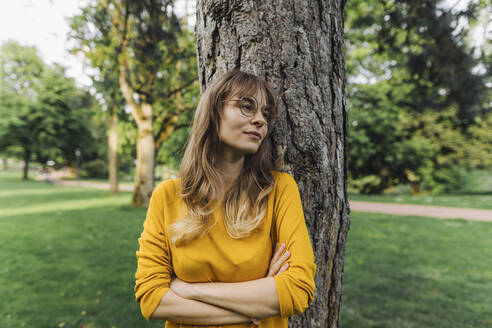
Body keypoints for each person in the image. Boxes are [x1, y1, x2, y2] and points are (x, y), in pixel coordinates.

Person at [135, 70, 316, 327]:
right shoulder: (167, 196)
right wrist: (258, 302)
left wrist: (190, 290)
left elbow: (298, 290)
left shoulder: (279, 190)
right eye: (246, 106)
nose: (260, 121)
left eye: (265, 113)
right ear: (214, 112)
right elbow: (151, 299)